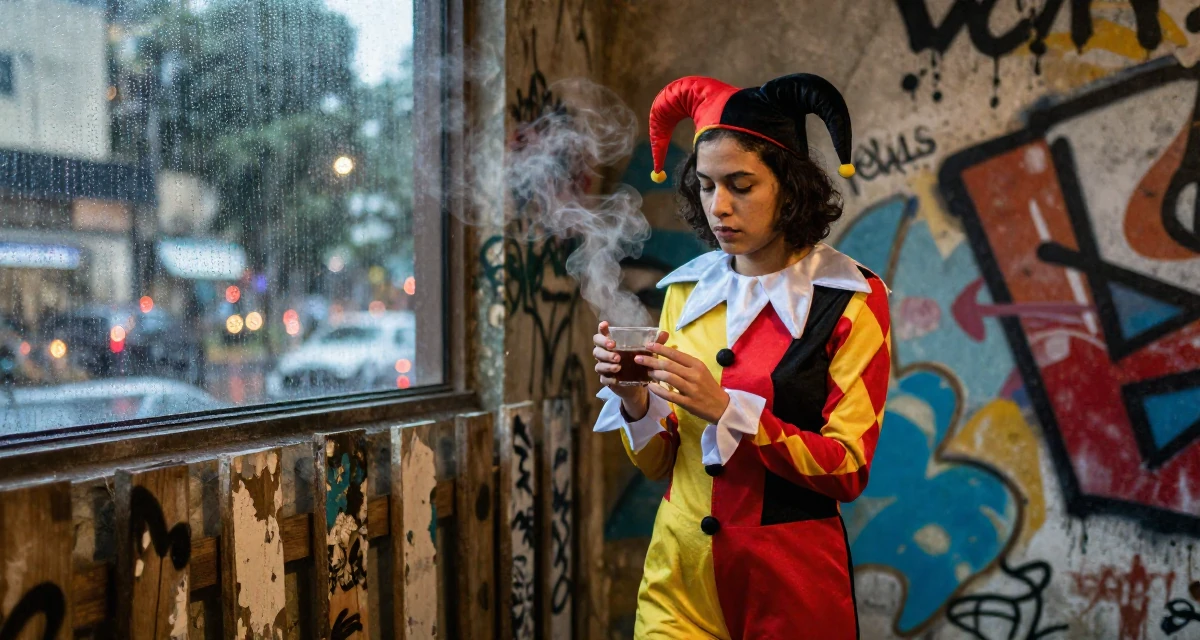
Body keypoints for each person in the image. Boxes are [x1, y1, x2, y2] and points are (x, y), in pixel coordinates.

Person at [592, 73, 891, 639]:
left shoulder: (851, 301)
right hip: (677, 581)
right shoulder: (685, 291)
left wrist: (730, 411)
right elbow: (661, 463)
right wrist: (634, 402)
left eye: (741, 185)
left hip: (790, 587)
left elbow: (848, 468)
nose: (719, 207)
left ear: (791, 187)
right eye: (706, 186)